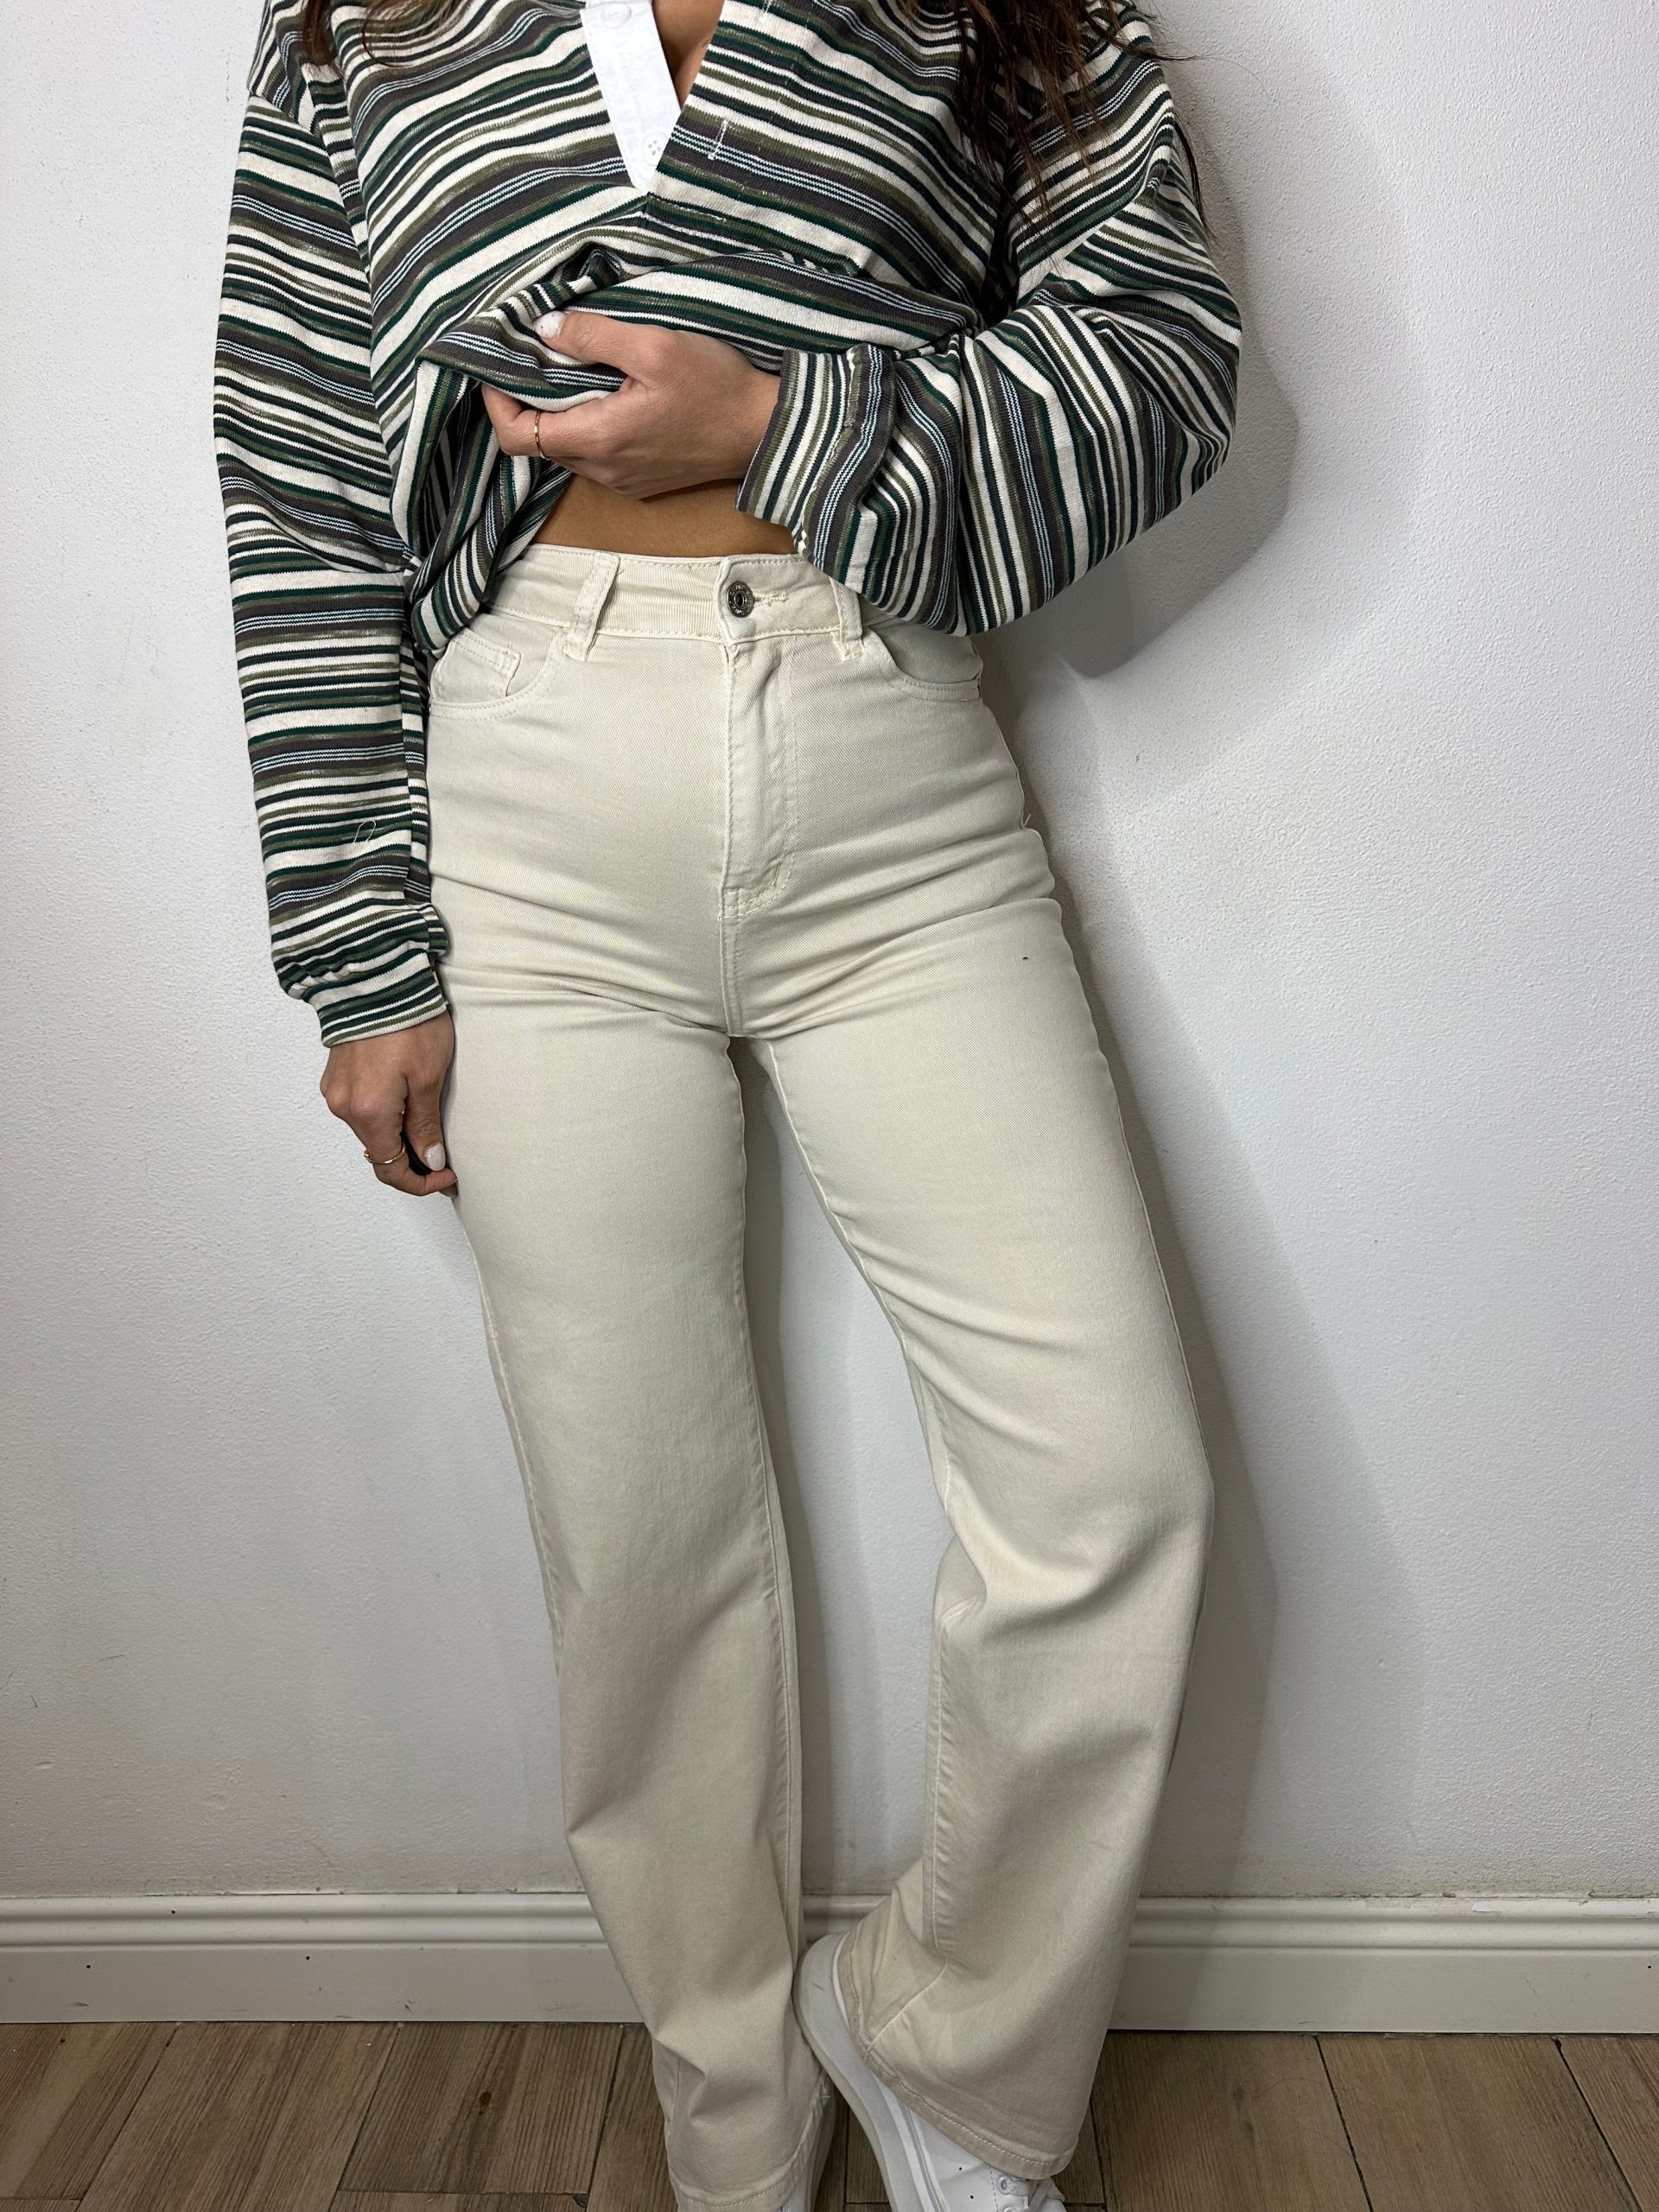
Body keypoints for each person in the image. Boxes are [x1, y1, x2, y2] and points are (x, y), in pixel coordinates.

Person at [212, 0, 1241, 2202]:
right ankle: (733, 2124)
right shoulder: (367, 23)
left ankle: (944, 2051)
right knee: (641, 1542)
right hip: (526, 795)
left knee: (1111, 1477)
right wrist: (359, 948)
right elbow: (295, 464)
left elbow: (1163, 362)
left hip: (894, 773)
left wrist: (781, 418)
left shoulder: (1018, 14)